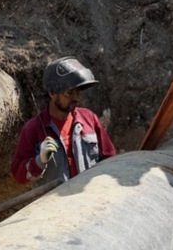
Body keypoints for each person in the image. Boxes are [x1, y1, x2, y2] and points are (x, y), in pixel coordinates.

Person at [11, 56, 116, 184]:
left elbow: (111, 160)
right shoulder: (34, 129)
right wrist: (40, 160)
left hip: (90, 200)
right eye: (69, 93)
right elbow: (18, 175)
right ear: (52, 93)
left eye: (78, 92)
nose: (75, 98)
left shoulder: (89, 119)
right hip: (57, 203)